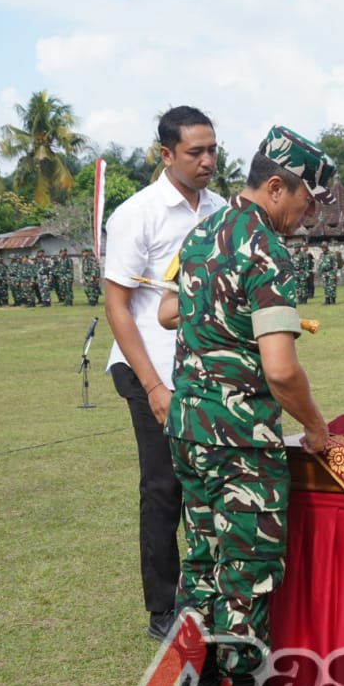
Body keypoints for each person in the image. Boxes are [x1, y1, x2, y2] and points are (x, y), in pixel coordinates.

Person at [158, 124, 334, 686]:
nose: (305, 217)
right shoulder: (266, 252)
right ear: (277, 187)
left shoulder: (203, 234)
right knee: (248, 567)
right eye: (305, 203)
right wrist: (316, 427)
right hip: (237, 433)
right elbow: (281, 368)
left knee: (201, 560)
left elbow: (169, 312)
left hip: (187, 425)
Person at [104, 105, 227, 641]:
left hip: (208, 368)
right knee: (164, 486)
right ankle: (163, 608)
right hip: (149, 367)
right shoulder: (139, 213)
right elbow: (117, 306)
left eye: (212, 150)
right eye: (194, 152)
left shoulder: (221, 209)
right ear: (166, 154)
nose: (206, 161)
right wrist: (153, 384)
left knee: (212, 483)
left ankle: (211, 592)